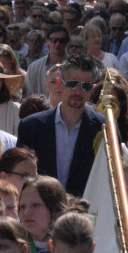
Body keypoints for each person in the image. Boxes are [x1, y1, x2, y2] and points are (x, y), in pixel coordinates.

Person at [17, 53, 103, 198]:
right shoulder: (31, 126)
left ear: (92, 90)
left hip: (85, 211)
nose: (77, 91)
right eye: (72, 84)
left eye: (85, 86)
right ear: (59, 84)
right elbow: (21, 174)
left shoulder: (104, 128)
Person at [24, 25, 69, 98]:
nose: (58, 44)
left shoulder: (75, 67)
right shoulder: (34, 67)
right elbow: (29, 94)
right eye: (54, 40)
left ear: (67, 42)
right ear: (47, 41)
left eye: (62, 41)